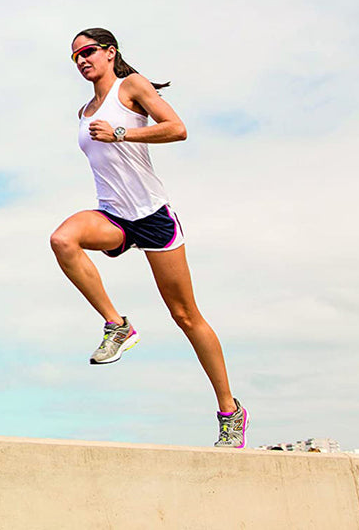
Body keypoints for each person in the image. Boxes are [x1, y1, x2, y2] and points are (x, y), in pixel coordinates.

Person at [50, 27, 249, 448]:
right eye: (75, 57)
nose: (82, 60)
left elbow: (177, 128)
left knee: (185, 316)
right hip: (113, 216)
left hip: (153, 217)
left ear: (110, 52)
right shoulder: (83, 110)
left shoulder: (132, 87)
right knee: (63, 240)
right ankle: (117, 325)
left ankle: (230, 411)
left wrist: (122, 133)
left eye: (88, 52)